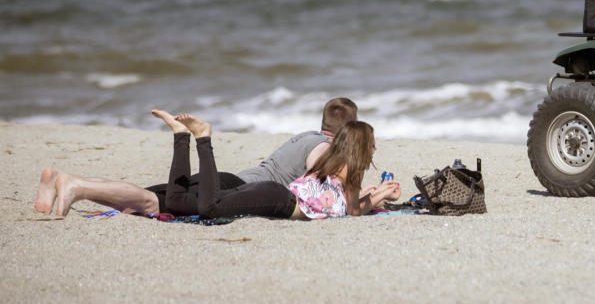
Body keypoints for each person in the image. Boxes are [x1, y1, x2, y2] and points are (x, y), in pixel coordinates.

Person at [34, 110, 400, 219]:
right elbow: (352, 208)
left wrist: (373, 194)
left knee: (162, 201)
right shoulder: (333, 161)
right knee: (205, 207)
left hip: (260, 187)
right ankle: (202, 138)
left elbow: (345, 198)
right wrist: (377, 197)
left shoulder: (326, 158)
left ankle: (74, 185)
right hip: (263, 193)